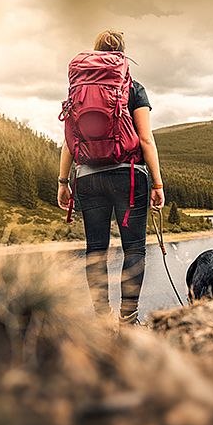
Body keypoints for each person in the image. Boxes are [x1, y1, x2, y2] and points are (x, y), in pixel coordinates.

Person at [57, 30, 165, 325]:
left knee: (96, 250)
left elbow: (69, 139)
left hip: (88, 179)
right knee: (134, 249)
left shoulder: (77, 90)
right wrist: (157, 184)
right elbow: (145, 140)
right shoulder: (133, 88)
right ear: (122, 54)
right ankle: (128, 321)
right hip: (128, 178)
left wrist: (62, 182)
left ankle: (102, 321)